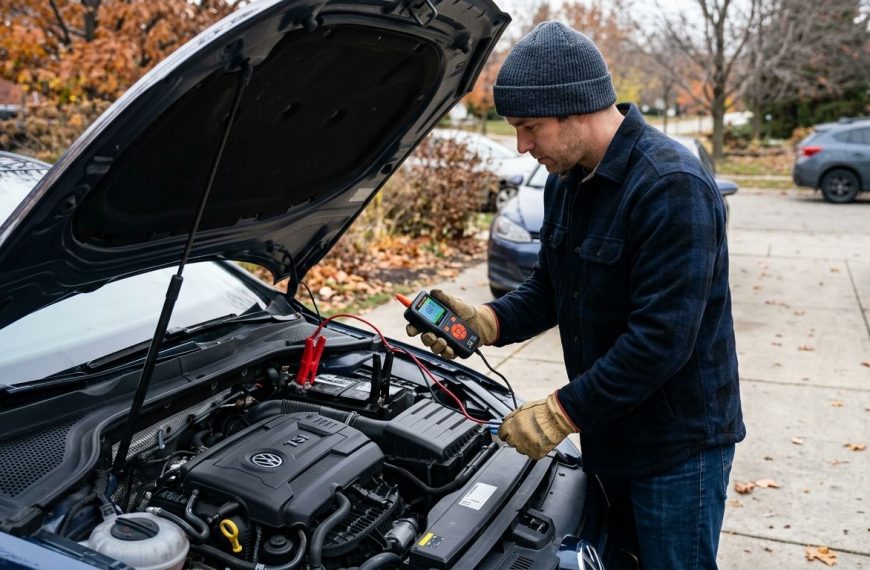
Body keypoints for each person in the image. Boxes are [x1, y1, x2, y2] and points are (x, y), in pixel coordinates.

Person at [406, 21, 745, 569]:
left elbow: (660, 341)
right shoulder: (567, 181)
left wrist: (559, 413)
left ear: (577, 108)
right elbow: (550, 288)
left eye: (530, 127)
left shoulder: (670, 185)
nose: (521, 146)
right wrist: (487, 321)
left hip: (675, 449)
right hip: (608, 431)